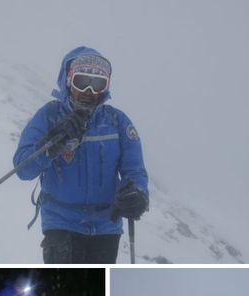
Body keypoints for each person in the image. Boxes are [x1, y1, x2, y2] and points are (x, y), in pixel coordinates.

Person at [13, 46, 149, 264]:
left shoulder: (117, 122)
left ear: (106, 87)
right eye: (81, 81)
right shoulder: (49, 116)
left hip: (107, 225)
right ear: (68, 80)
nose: (89, 90)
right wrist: (51, 143)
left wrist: (137, 192)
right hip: (61, 223)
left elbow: (134, 170)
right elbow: (22, 168)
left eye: (98, 84)